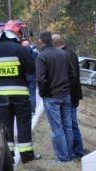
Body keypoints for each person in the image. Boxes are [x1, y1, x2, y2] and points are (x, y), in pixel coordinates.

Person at [0, 21, 40, 163]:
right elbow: (31, 69)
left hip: (2, 93)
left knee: (5, 124)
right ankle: (26, 155)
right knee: (23, 123)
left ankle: (9, 157)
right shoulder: (19, 49)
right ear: (16, 34)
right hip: (20, 93)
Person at [35, 31, 75, 163]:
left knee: (57, 128)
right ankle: (70, 154)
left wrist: (43, 93)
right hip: (65, 94)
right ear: (51, 41)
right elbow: (72, 74)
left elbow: (41, 79)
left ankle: (63, 158)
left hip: (52, 96)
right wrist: (67, 87)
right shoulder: (63, 54)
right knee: (67, 126)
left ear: (41, 41)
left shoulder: (41, 57)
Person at [52, 34, 83, 159]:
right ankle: (76, 150)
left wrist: (65, 92)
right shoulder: (70, 53)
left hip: (70, 95)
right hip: (72, 94)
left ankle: (76, 151)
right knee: (71, 124)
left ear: (55, 43)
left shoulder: (65, 55)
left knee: (71, 124)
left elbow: (72, 77)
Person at [21, 39, 39, 113]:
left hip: (23, 78)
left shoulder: (20, 54)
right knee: (32, 94)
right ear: (29, 45)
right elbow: (37, 65)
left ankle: (26, 110)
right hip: (32, 77)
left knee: (24, 95)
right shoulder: (35, 54)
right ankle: (33, 110)